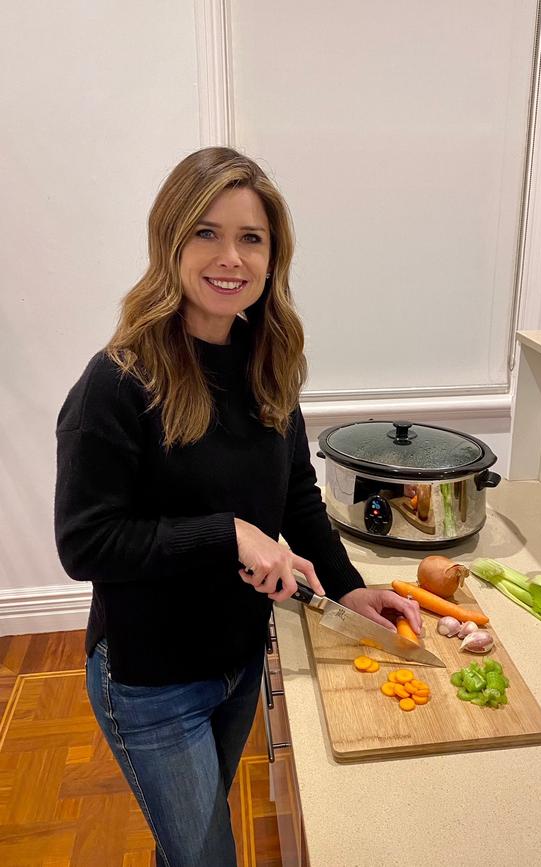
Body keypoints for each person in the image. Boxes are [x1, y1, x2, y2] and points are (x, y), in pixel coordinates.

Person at [54, 147, 421, 867]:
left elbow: (296, 495)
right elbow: (85, 543)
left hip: (239, 659)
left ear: (272, 253)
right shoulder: (117, 382)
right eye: (206, 232)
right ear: (171, 240)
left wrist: (350, 589)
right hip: (149, 678)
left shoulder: (267, 362)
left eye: (251, 237)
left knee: (190, 844)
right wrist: (227, 534)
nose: (231, 257)